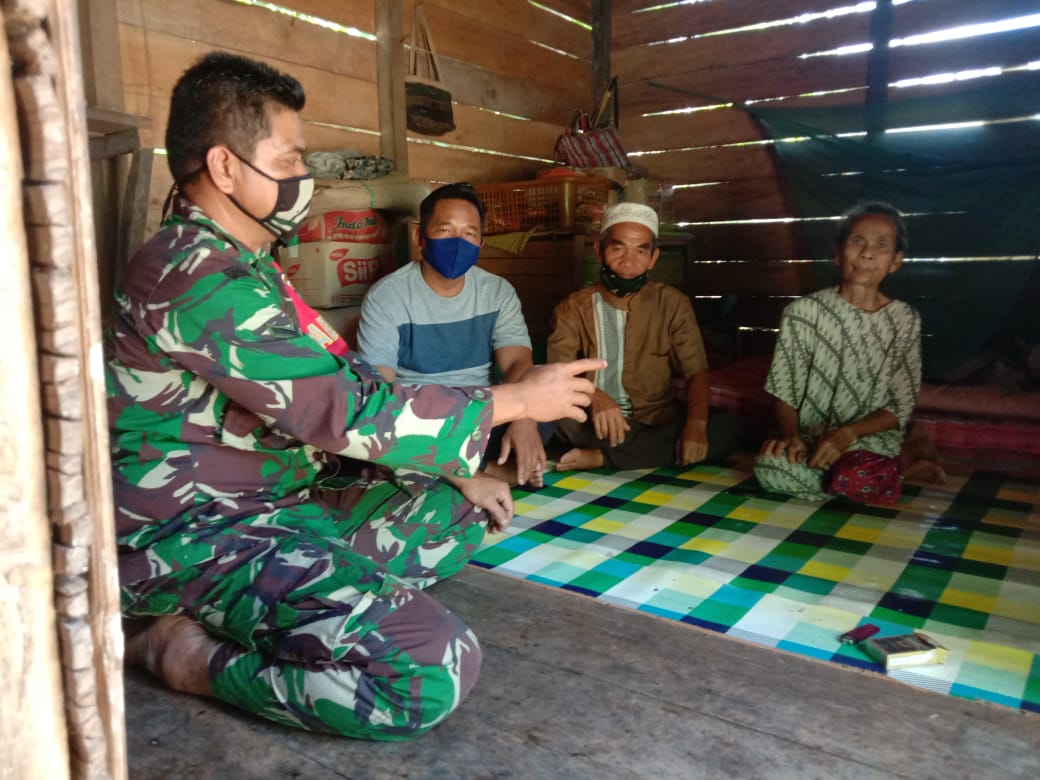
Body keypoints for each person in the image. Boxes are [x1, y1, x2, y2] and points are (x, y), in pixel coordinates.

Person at [106, 51, 602, 742]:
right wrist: (513, 404)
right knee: (434, 666)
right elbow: (342, 410)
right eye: (289, 162)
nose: (305, 179)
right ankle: (189, 655)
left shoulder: (247, 264)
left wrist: (458, 465)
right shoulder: (194, 275)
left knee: (457, 513)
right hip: (199, 535)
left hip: (283, 501)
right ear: (224, 167)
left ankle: (312, 598)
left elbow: (346, 382)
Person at [357, 183, 550, 505]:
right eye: (445, 230)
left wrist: (525, 414)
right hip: (420, 419)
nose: (458, 242)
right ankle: (485, 472)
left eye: (469, 233)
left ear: (481, 242)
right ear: (421, 237)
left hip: (483, 415)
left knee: (549, 400)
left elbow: (517, 363)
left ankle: (457, 470)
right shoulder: (387, 296)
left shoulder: (497, 291)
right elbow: (379, 386)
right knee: (370, 430)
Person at [754, 200, 923, 502]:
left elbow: (900, 405)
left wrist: (847, 435)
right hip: (808, 437)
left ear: (896, 261)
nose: (867, 253)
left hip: (866, 440)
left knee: (858, 475)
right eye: (857, 241)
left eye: (881, 245)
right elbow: (784, 390)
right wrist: (791, 437)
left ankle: (856, 476)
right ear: (837, 253)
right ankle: (848, 482)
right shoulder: (802, 312)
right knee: (771, 469)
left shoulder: (904, 319)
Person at [547, 202, 734, 471]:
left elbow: (696, 373)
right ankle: (637, 453)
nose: (628, 262)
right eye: (618, 248)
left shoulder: (672, 304)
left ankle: (602, 458)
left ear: (653, 258)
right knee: (554, 419)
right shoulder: (572, 308)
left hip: (656, 420)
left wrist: (695, 427)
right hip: (591, 421)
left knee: (727, 425)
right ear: (600, 251)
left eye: (641, 251)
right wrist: (596, 397)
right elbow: (557, 374)